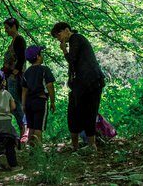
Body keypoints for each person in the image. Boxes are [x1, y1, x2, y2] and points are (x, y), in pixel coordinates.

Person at [51, 22, 105, 152]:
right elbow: (74, 64)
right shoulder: (76, 40)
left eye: (59, 35)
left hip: (91, 82)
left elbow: (72, 59)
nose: (59, 38)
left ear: (66, 30)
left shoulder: (76, 38)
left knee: (89, 112)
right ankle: (78, 145)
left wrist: (64, 50)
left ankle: (92, 145)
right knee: (76, 112)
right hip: (82, 84)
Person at [21, 46, 56, 147]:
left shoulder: (26, 72)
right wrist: (53, 102)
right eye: (41, 53)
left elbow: (24, 90)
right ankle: (38, 150)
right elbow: (49, 86)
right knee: (38, 127)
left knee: (31, 127)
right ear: (38, 56)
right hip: (40, 101)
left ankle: (31, 148)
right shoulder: (44, 69)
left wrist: (23, 105)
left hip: (28, 102)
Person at [2, 17, 28, 142]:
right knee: (14, 103)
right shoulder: (13, 41)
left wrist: (16, 70)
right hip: (10, 76)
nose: (5, 31)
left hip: (15, 77)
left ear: (13, 27)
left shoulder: (19, 39)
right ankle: (22, 128)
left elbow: (22, 56)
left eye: (7, 28)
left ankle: (24, 129)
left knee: (16, 102)